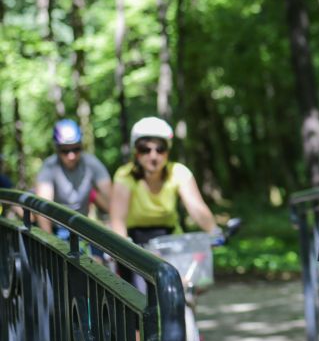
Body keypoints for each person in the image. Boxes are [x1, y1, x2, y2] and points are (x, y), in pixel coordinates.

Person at [109, 116, 219, 287]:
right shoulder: (125, 176)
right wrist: (124, 247)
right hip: (135, 244)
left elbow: (196, 208)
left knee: (187, 288)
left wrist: (214, 232)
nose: (153, 156)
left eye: (160, 149)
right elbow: (118, 220)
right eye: (145, 149)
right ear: (136, 152)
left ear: (167, 151)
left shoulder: (179, 172)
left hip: (172, 243)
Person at [35, 119, 112, 258]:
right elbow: (43, 207)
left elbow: (110, 198)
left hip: (84, 228)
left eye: (76, 149)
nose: (71, 155)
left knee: (98, 261)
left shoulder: (91, 163)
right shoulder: (49, 167)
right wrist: (51, 243)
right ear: (57, 149)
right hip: (58, 229)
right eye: (65, 151)